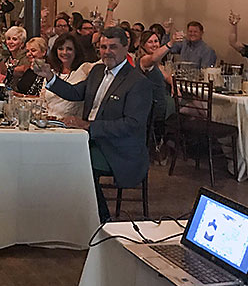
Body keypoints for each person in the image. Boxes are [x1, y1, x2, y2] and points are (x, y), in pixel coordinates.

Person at [33, 27, 152, 222]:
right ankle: (63, 215)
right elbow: (74, 93)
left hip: (118, 149)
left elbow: (132, 124)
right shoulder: (97, 72)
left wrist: (89, 126)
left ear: (126, 47)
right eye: (103, 47)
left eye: (113, 47)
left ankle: (101, 220)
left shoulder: (137, 82)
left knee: (76, 162)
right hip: (89, 139)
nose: (107, 52)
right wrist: (49, 77)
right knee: (52, 152)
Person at [137, 30, 182, 163]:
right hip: (152, 106)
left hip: (161, 102)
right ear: (143, 45)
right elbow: (153, 58)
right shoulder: (145, 60)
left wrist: (174, 85)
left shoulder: (157, 65)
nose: (154, 44)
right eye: (150, 42)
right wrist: (171, 42)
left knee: (187, 106)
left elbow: (166, 76)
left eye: (156, 41)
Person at [43, 33, 93, 118]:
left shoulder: (85, 69)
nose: (64, 52)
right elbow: (43, 101)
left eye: (69, 49)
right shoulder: (52, 73)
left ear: (76, 51)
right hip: (49, 121)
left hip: (71, 123)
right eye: (60, 49)